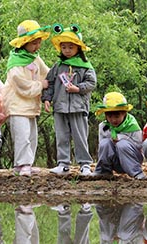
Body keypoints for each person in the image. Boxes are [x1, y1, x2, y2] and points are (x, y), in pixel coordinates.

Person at [42, 24, 96, 176]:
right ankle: (63, 164)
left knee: (80, 136)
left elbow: (91, 83)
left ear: (78, 47)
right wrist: (47, 98)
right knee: (61, 136)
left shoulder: (86, 66)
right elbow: (50, 82)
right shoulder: (58, 66)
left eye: (70, 47)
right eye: (64, 47)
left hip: (78, 107)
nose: (66, 50)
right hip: (60, 107)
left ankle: (85, 164)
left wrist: (77, 88)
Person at [4, 20, 51, 176]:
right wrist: (41, 85)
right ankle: (22, 163)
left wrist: (56, 78)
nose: (37, 46)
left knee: (32, 135)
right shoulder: (15, 64)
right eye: (34, 43)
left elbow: (46, 73)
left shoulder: (35, 58)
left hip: (31, 105)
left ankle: (27, 163)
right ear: (24, 43)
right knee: (22, 135)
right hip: (17, 105)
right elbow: (22, 86)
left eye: (39, 43)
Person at [92, 92, 145, 179]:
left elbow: (139, 144)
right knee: (105, 143)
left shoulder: (132, 125)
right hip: (114, 160)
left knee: (122, 144)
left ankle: (137, 173)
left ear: (124, 113)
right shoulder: (103, 127)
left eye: (117, 116)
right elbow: (102, 148)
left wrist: (121, 138)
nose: (113, 120)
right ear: (105, 116)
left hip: (132, 159)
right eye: (110, 116)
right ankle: (103, 171)